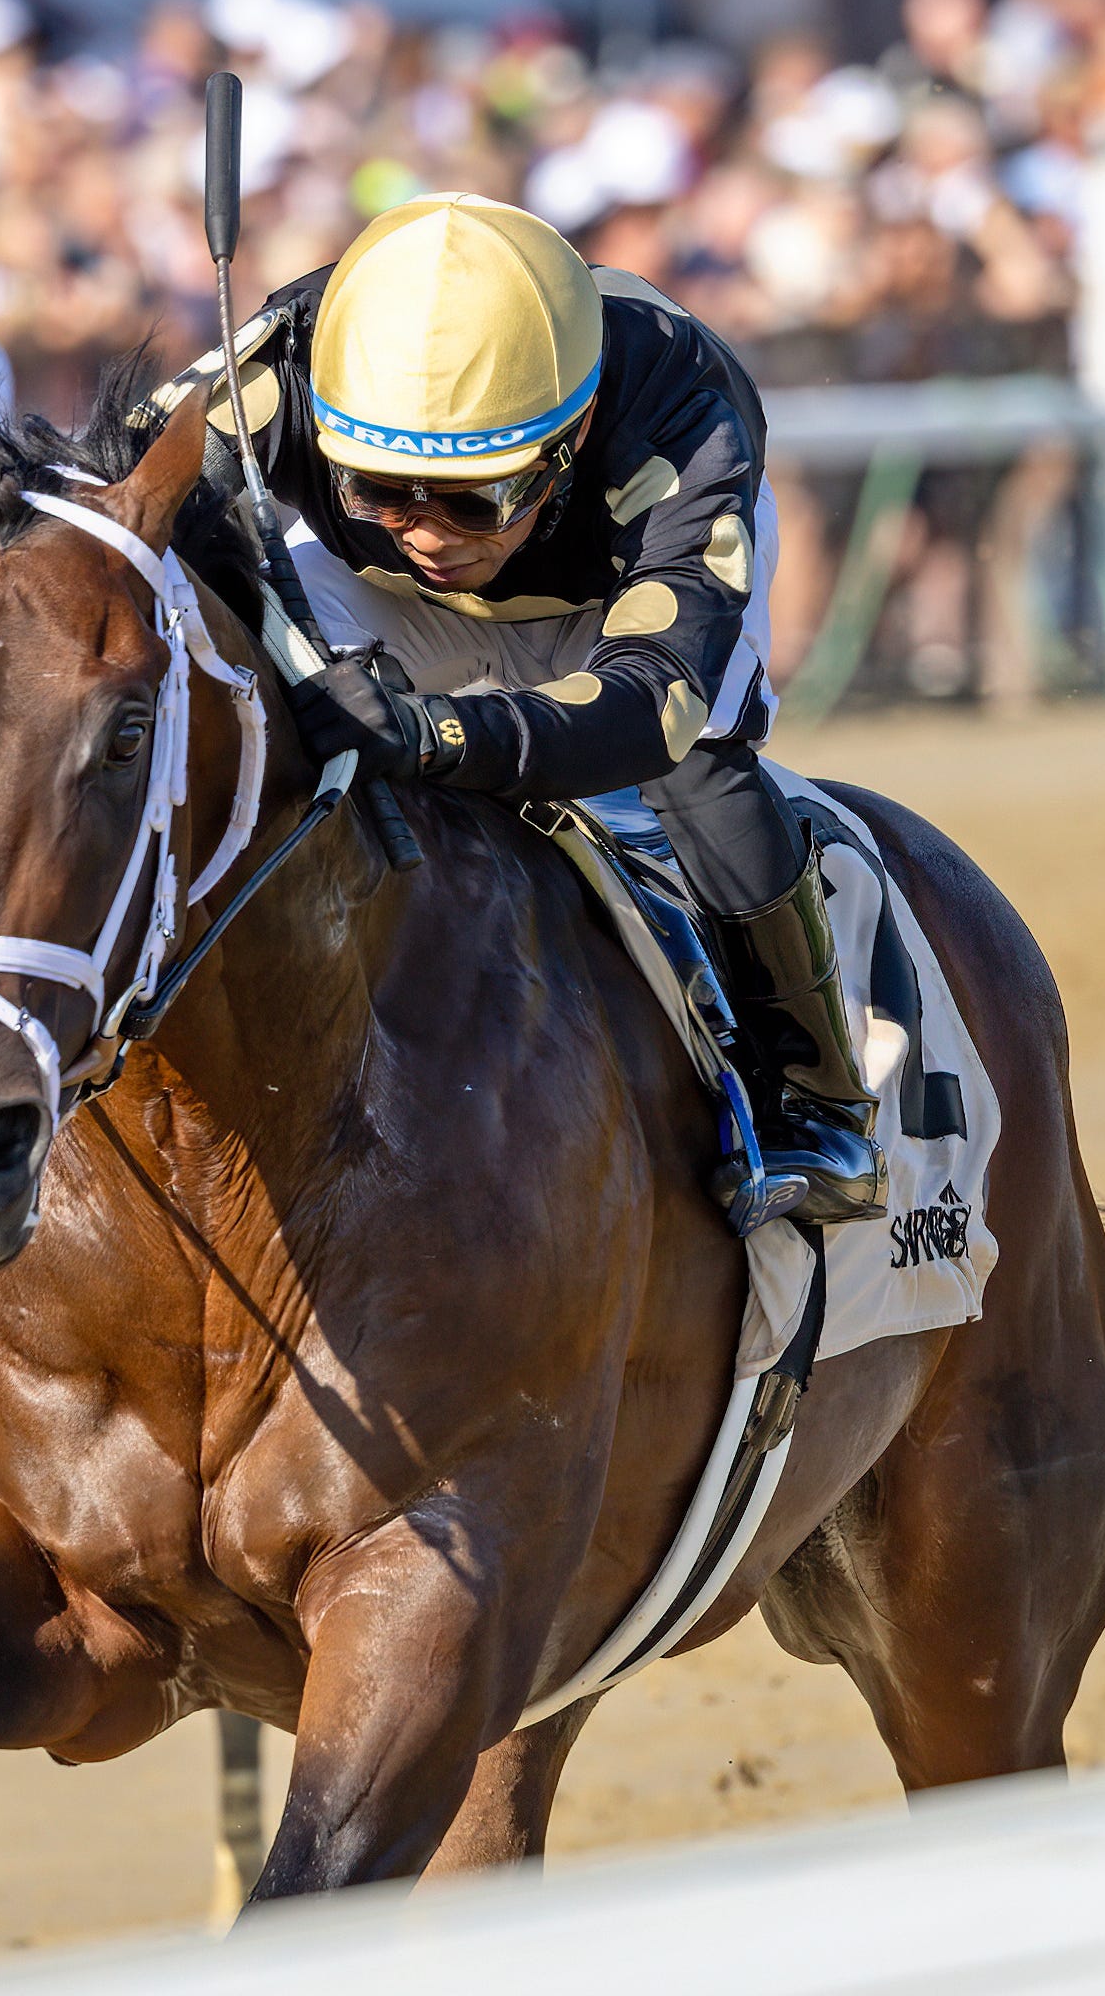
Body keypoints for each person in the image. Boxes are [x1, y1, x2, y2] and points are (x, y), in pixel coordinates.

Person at [207, 192, 884, 1227]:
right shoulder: (294, 356)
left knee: (696, 764)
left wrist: (435, 733)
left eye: (476, 497)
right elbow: (115, 494)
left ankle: (817, 1096)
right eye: (382, 487)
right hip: (374, 596)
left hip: (622, 611)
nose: (429, 533)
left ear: (570, 443)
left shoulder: (683, 405)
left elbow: (653, 704)